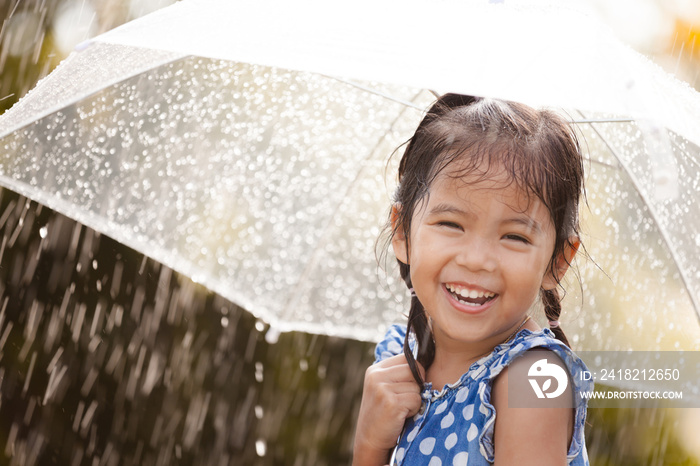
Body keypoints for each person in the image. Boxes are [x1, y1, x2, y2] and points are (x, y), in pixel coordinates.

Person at [353, 94, 593, 465]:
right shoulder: (402, 363)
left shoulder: (532, 382)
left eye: (514, 236)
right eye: (451, 224)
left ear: (556, 262)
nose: (477, 260)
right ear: (402, 231)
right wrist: (369, 445)